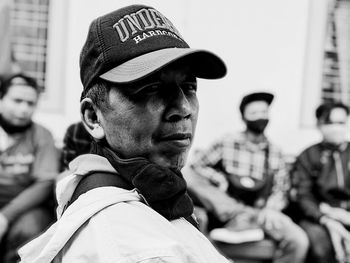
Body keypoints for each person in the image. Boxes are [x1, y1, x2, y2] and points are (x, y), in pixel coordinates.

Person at [19, 4, 230, 263]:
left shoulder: (150, 196)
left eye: (188, 86)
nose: (183, 108)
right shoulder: (137, 250)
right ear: (94, 117)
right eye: (151, 87)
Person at [185, 92, 309, 263]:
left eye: (264, 113)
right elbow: (196, 166)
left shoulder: (275, 152)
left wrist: (272, 209)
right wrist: (217, 177)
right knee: (186, 174)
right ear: (243, 117)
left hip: (260, 213)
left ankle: (244, 219)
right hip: (227, 208)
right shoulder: (227, 142)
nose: (260, 117)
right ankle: (238, 215)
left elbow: (281, 188)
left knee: (299, 241)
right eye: (254, 113)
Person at [0, 73, 59, 263]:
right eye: (17, 101)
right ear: (1, 99)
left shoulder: (42, 136)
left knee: (31, 228)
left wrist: (5, 216)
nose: (24, 109)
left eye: (30, 103)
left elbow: (45, 182)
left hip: (26, 208)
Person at [293, 102, 350, 263]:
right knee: (322, 249)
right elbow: (303, 196)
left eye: (340, 122)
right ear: (319, 124)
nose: (335, 128)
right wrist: (325, 217)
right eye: (329, 123)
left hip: (347, 215)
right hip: (318, 216)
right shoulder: (307, 156)